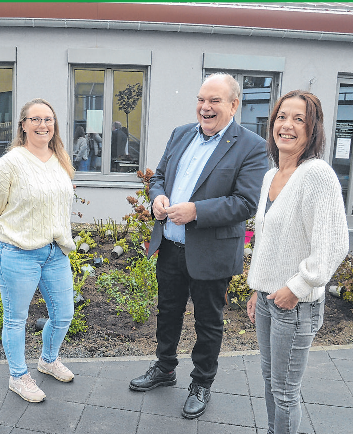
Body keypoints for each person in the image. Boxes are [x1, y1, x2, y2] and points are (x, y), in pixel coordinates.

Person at [129, 73, 268, 419]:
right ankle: (164, 368)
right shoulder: (180, 134)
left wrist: (196, 211)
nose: (205, 108)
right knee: (168, 312)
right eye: (201, 99)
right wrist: (157, 195)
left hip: (212, 252)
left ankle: (202, 383)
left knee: (208, 323)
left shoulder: (252, 146)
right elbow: (159, 175)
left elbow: (246, 203)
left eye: (214, 101)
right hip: (171, 247)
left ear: (234, 105)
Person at [246, 90, 349, 434]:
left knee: (285, 393)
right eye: (281, 117)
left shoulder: (317, 175)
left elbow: (333, 245)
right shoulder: (270, 175)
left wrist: (298, 287)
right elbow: (268, 243)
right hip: (267, 300)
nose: (286, 125)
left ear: (313, 129)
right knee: (268, 383)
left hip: (295, 305)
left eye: (298, 118)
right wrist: (257, 288)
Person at [0, 98, 76, 403]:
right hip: (17, 253)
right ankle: (18, 377)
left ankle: (47, 359)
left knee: (64, 313)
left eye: (48, 119)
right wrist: (0, 240)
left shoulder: (59, 160)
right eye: (35, 119)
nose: (43, 125)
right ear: (23, 125)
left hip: (54, 252)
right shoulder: (10, 164)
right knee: (16, 319)